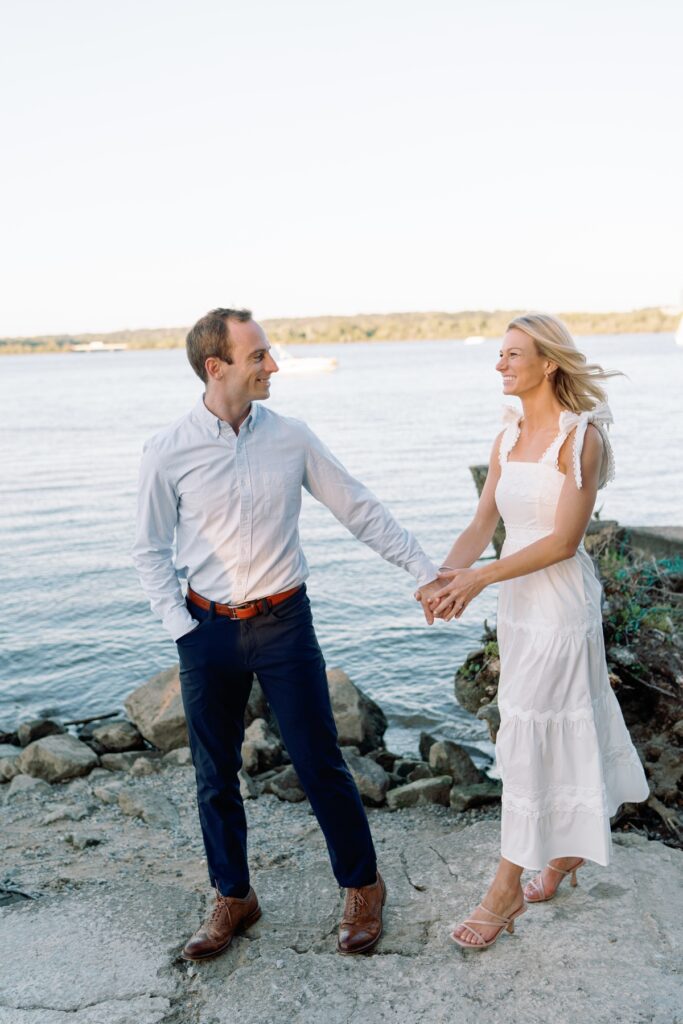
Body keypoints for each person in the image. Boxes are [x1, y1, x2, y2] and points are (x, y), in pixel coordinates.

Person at [133, 307, 441, 961]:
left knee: (319, 762)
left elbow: (357, 507)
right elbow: (149, 549)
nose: (273, 366)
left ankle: (363, 886)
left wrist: (423, 570)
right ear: (216, 368)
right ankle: (232, 896)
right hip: (205, 629)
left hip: (283, 625)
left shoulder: (292, 437)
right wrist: (181, 630)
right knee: (214, 776)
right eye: (259, 357)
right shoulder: (166, 450)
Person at [420, 312, 649, 950]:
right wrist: (445, 577)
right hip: (517, 602)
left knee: (530, 727)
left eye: (512, 353)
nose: (500, 364)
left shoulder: (581, 438)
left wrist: (479, 580)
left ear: (548, 362)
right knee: (537, 720)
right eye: (498, 354)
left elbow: (563, 541)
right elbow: (479, 523)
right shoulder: (507, 434)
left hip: (557, 602)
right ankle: (566, 850)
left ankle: (503, 892)